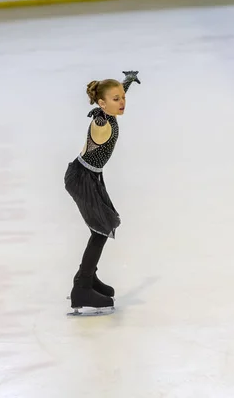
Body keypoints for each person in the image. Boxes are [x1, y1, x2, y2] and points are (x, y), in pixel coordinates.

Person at [64, 70, 141, 311]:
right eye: (116, 99)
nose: (122, 102)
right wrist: (98, 116)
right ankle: (82, 288)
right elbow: (100, 120)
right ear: (101, 104)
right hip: (82, 178)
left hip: (91, 176)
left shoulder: (109, 110)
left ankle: (88, 278)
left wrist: (127, 81)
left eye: (122, 97)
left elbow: (113, 98)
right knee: (100, 231)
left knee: (99, 229)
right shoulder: (102, 121)